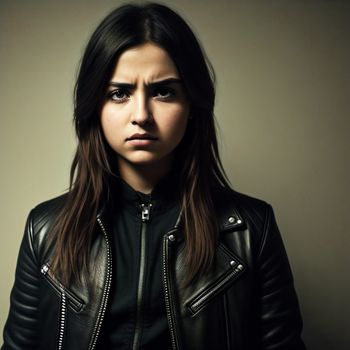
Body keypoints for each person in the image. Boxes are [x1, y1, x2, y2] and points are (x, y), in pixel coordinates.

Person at [2, 3, 306, 350]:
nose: (142, 115)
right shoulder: (45, 230)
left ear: (192, 104)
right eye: (119, 93)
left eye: (164, 91)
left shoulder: (252, 229)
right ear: (94, 108)